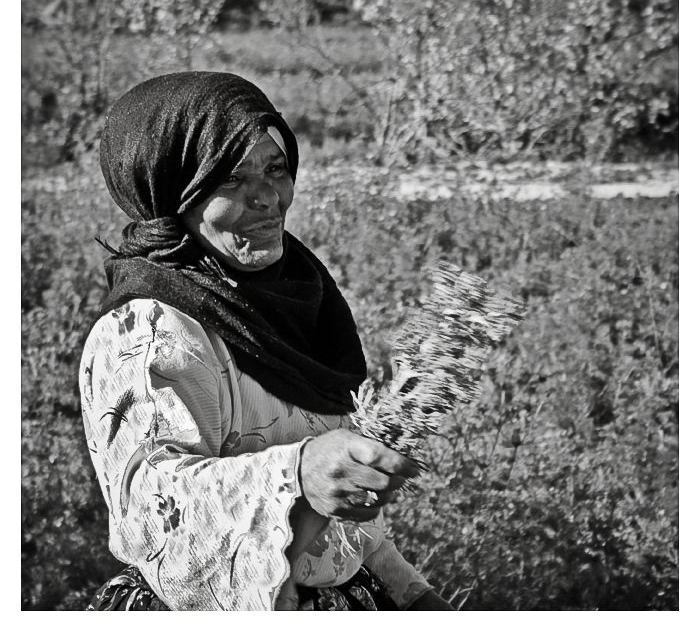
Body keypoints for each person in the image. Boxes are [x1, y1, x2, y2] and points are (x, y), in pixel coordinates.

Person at [80, 72, 454, 611]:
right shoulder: (151, 333)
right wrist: (298, 473)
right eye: (230, 179)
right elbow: (155, 508)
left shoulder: (295, 302)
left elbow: (339, 515)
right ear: (168, 191)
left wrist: (411, 593)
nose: (267, 197)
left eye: (276, 169)